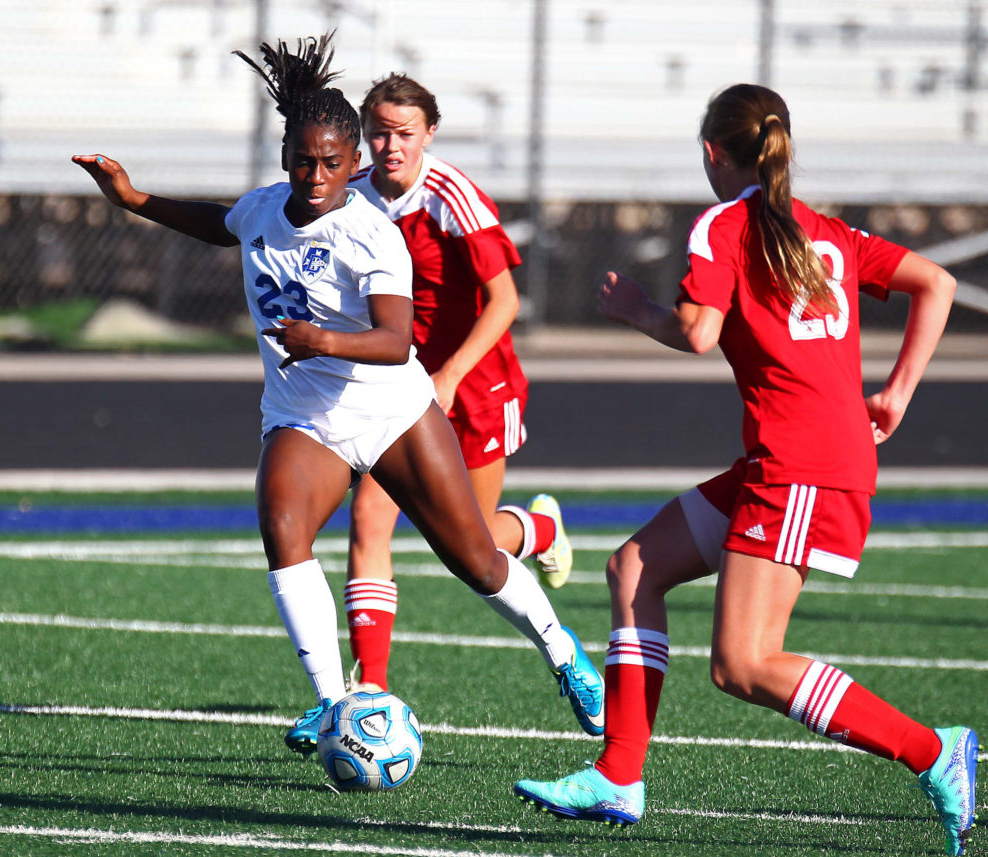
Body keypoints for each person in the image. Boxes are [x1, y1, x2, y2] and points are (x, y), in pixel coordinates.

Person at [72, 34, 603, 759]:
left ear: (353, 164)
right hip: (305, 417)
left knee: (474, 558)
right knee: (283, 526)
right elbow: (219, 222)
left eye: (331, 162)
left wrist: (321, 339)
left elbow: (393, 340)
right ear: (286, 156)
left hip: (391, 411)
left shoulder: (372, 234)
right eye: (302, 159)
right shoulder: (264, 208)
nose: (315, 175)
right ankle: (331, 702)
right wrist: (133, 198)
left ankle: (563, 650)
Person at [512, 83, 978, 856]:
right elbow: (940, 283)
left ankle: (935, 750)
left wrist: (633, 310)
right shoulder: (823, 229)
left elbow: (698, 332)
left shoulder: (723, 224)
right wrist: (895, 394)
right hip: (793, 457)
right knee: (634, 568)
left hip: (801, 466)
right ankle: (619, 774)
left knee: (743, 662)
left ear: (711, 153)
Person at [340, 73, 571, 695]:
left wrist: (450, 372)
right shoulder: (352, 196)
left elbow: (503, 302)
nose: (391, 146)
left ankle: (538, 529)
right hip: (397, 389)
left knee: (470, 544)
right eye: (380, 133)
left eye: (405, 134)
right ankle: (371, 692)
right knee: (368, 518)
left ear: (429, 134)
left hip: (475, 384)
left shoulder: (453, 196)